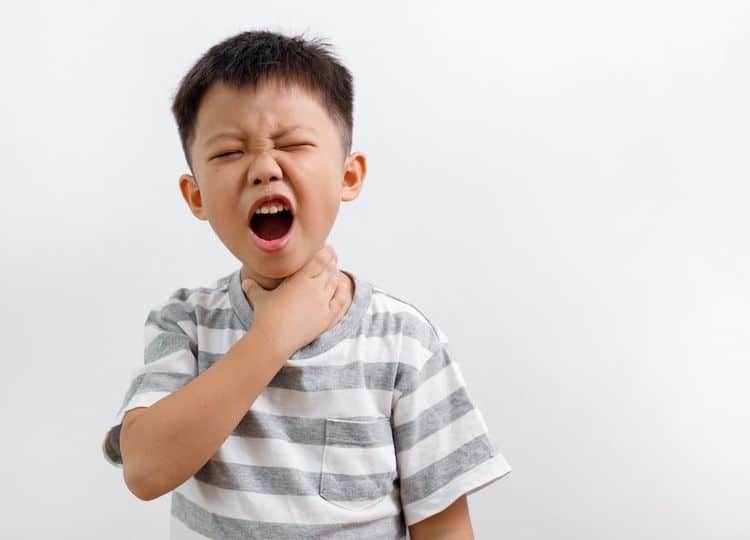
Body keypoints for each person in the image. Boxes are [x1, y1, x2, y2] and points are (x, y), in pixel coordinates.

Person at [101, 29, 511, 539]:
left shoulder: (405, 342)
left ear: (349, 175)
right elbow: (145, 470)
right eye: (229, 153)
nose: (264, 169)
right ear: (196, 196)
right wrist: (273, 337)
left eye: (293, 144)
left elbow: (446, 529)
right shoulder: (186, 325)